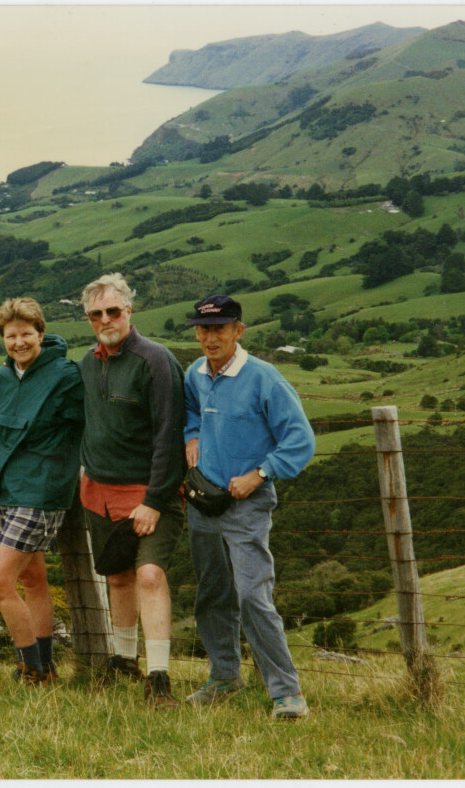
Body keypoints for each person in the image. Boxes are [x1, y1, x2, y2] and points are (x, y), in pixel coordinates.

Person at [182, 294, 315, 720]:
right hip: (203, 500)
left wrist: (260, 474)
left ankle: (287, 693)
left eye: (220, 328)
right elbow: (190, 411)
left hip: (246, 504)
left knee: (252, 595)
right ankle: (224, 676)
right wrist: (191, 436)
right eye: (203, 329)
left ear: (239, 331)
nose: (210, 337)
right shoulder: (195, 374)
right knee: (212, 592)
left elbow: (301, 439)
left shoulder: (264, 378)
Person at [77, 273, 187, 707]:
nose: (106, 319)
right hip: (97, 493)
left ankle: (159, 677)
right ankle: (123, 662)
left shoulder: (156, 360)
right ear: (89, 319)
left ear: (129, 312)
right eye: (96, 314)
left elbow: (169, 435)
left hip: (147, 494)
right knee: (119, 578)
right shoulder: (86, 363)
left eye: (113, 311)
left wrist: (155, 501)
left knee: (150, 575)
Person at [0, 297, 84, 684]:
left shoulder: (66, 375)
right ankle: (48, 666)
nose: (19, 342)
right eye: (11, 335)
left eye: (26, 334)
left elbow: (83, 428)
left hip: (43, 490)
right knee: (33, 580)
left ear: (41, 334)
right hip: (6, 487)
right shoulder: (4, 378)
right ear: (3, 339)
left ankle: (32, 668)